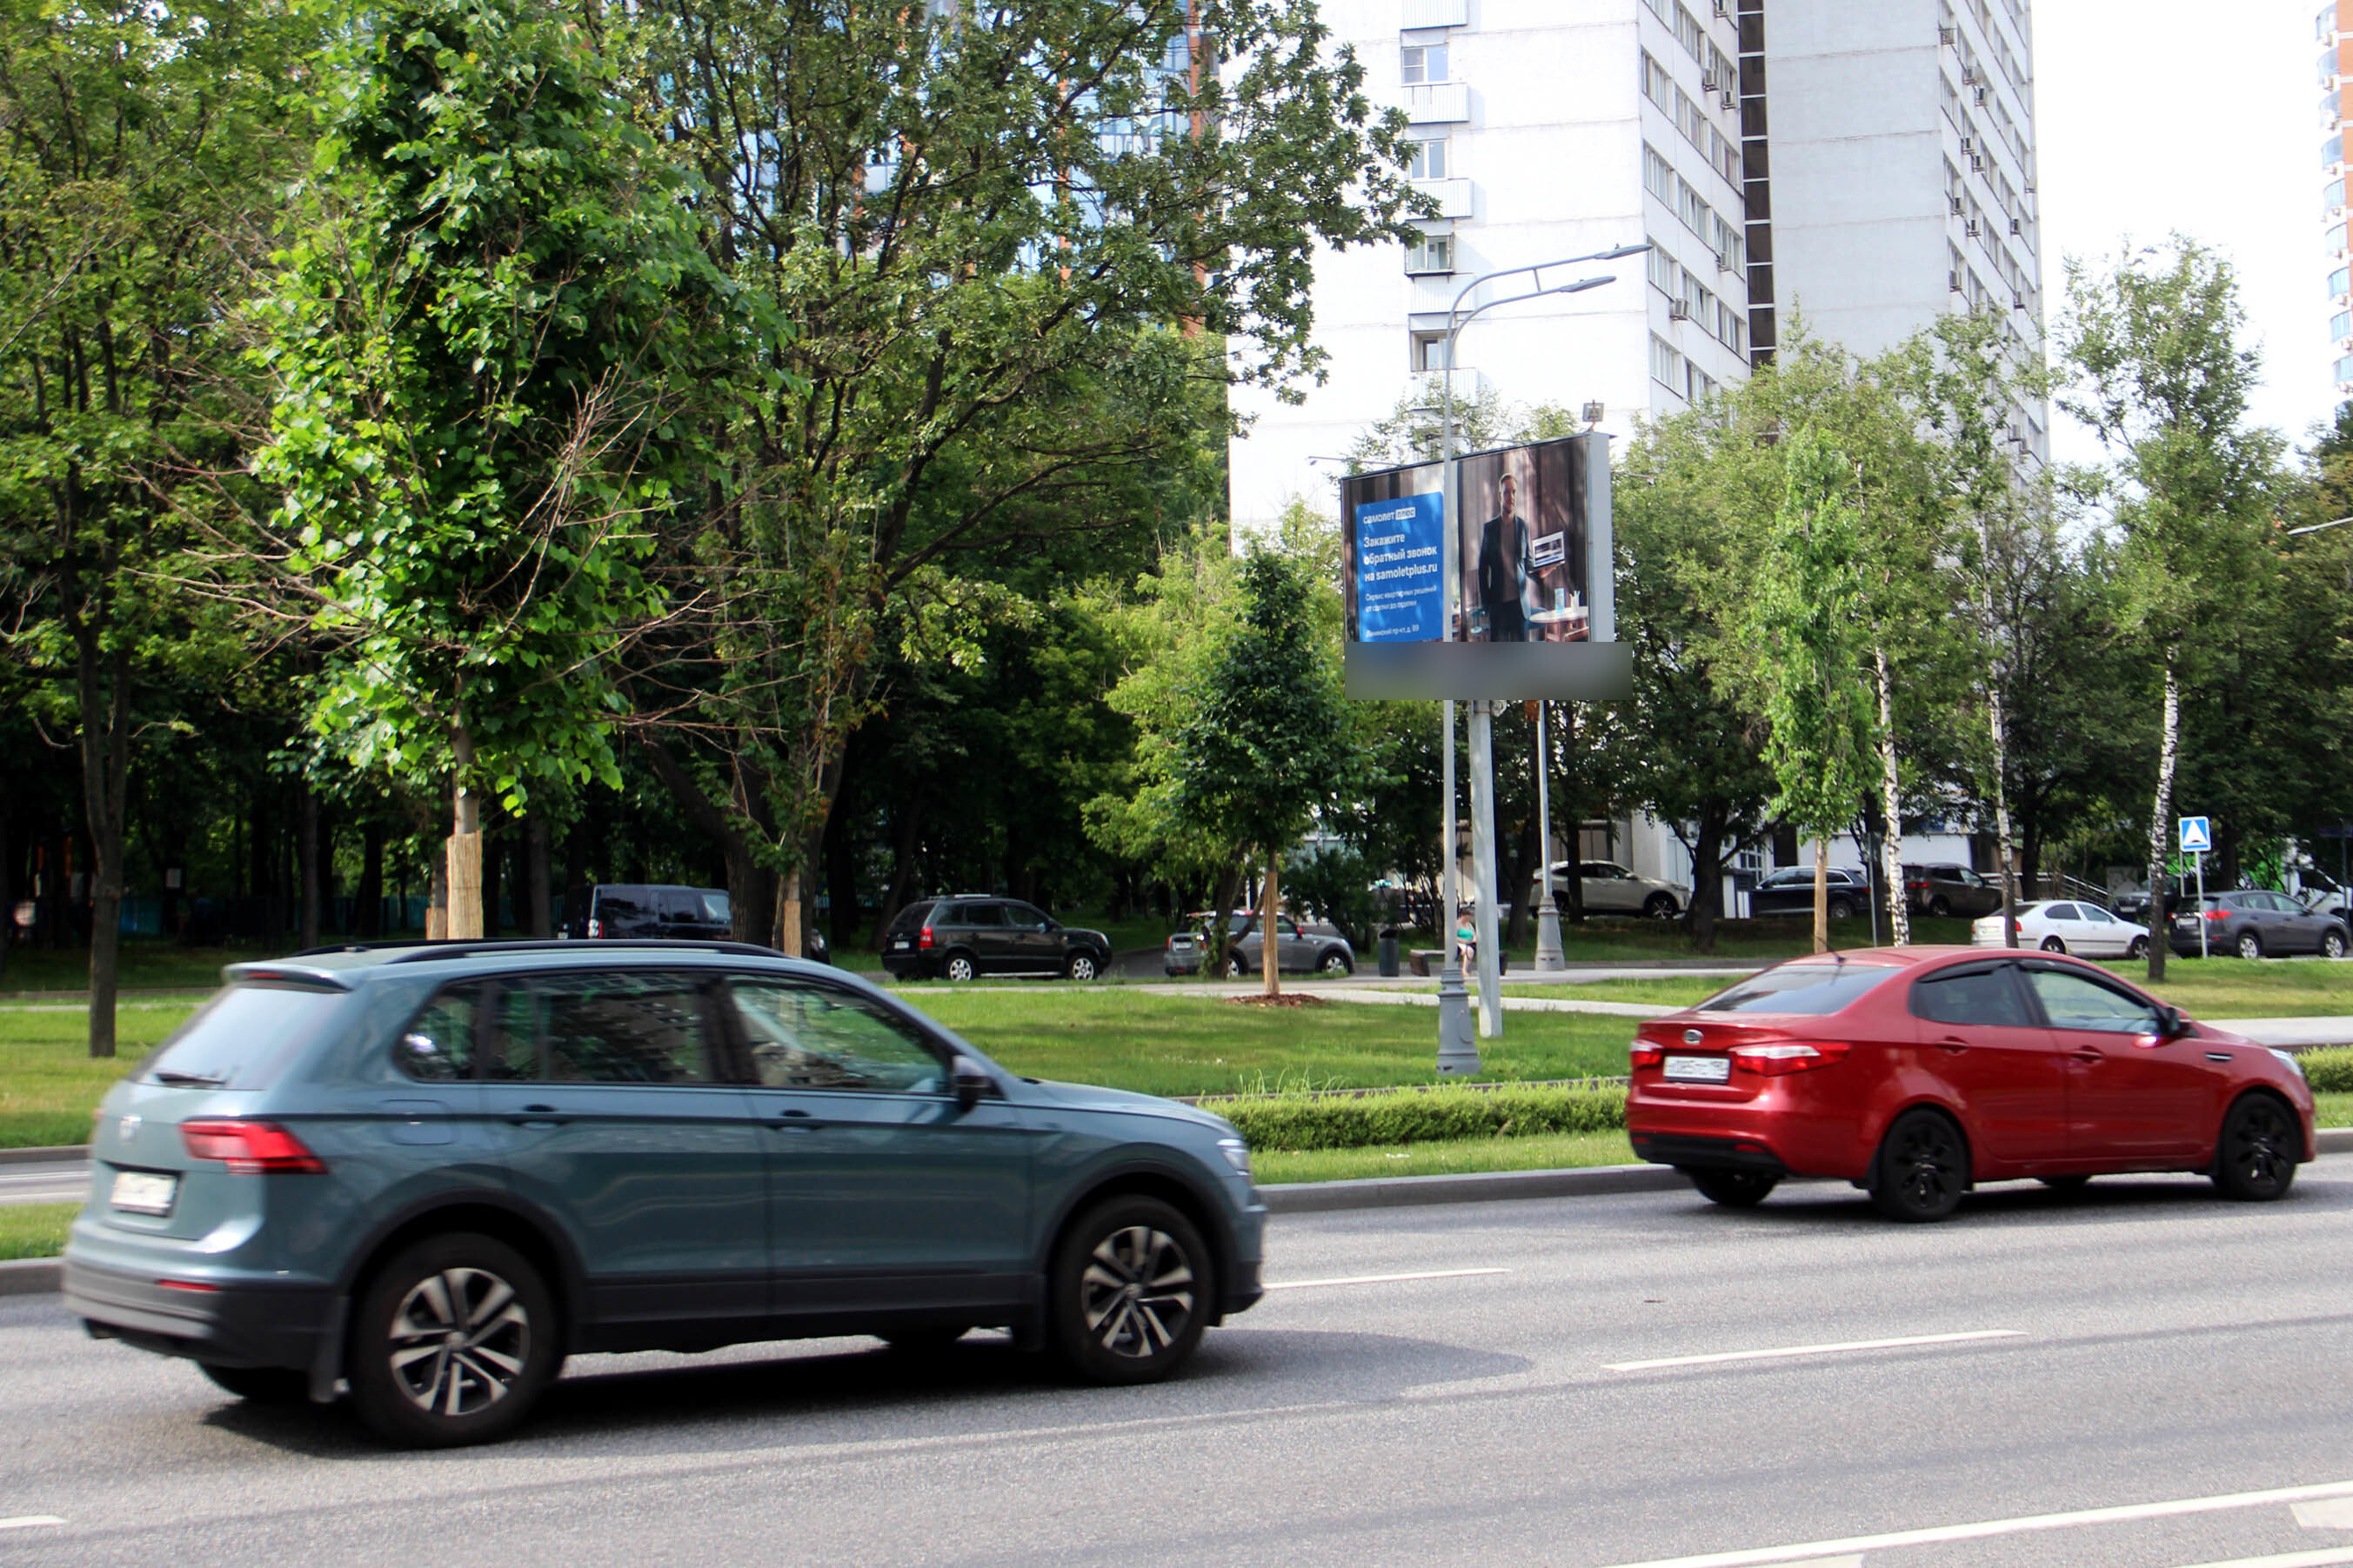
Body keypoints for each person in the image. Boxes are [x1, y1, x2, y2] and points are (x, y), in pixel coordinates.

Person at [1476, 469, 1531, 641]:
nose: (1511, 497)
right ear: (1500, 496)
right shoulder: (1490, 529)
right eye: (1507, 492)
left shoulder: (1523, 527)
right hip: (1498, 608)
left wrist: (1542, 572)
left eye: (1514, 492)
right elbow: (1482, 569)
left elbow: (1528, 564)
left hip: (1519, 607)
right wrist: (1487, 604)